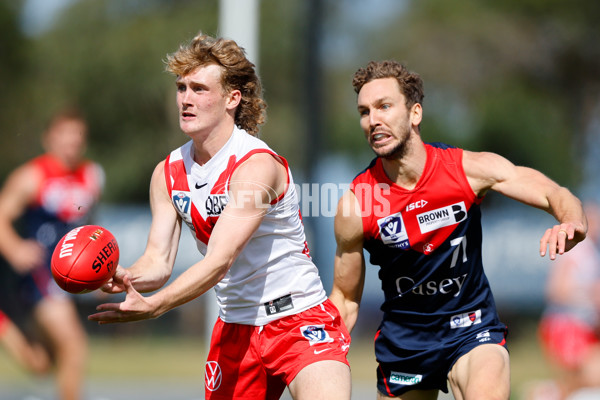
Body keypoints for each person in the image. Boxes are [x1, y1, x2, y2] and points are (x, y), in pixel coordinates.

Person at [88, 33, 351, 400]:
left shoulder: (256, 166)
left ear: (232, 98)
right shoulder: (167, 173)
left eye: (198, 88)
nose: (186, 99)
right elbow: (158, 261)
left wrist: (157, 305)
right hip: (236, 328)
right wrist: (128, 276)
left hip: (299, 319)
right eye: (181, 88)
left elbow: (219, 260)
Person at [328, 60, 587, 400]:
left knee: (488, 380)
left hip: (472, 327)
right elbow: (345, 299)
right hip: (406, 343)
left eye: (384, 106)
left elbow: (556, 194)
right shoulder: (357, 204)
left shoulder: (465, 170)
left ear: (415, 113)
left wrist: (572, 222)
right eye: (364, 111)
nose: (373, 120)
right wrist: (318, 359)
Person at [0, 107, 104, 400]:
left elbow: (91, 226)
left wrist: (101, 272)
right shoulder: (32, 176)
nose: (71, 142)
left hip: (70, 275)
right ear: (49, 139)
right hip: (41, 274)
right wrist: (15, 248)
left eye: (78, 136)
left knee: (42, 363)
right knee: (74, 345)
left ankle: (3, 326)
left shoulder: (91, 176)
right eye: (65, 135)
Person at [529, 202, 600, 400]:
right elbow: (556, 290)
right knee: (578, 380)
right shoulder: (578, 252)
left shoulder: (592, 252)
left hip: (583, 325)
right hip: (566, 324)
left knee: (587, 379)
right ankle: (543, 393)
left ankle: (546, 392)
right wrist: (590, 296)